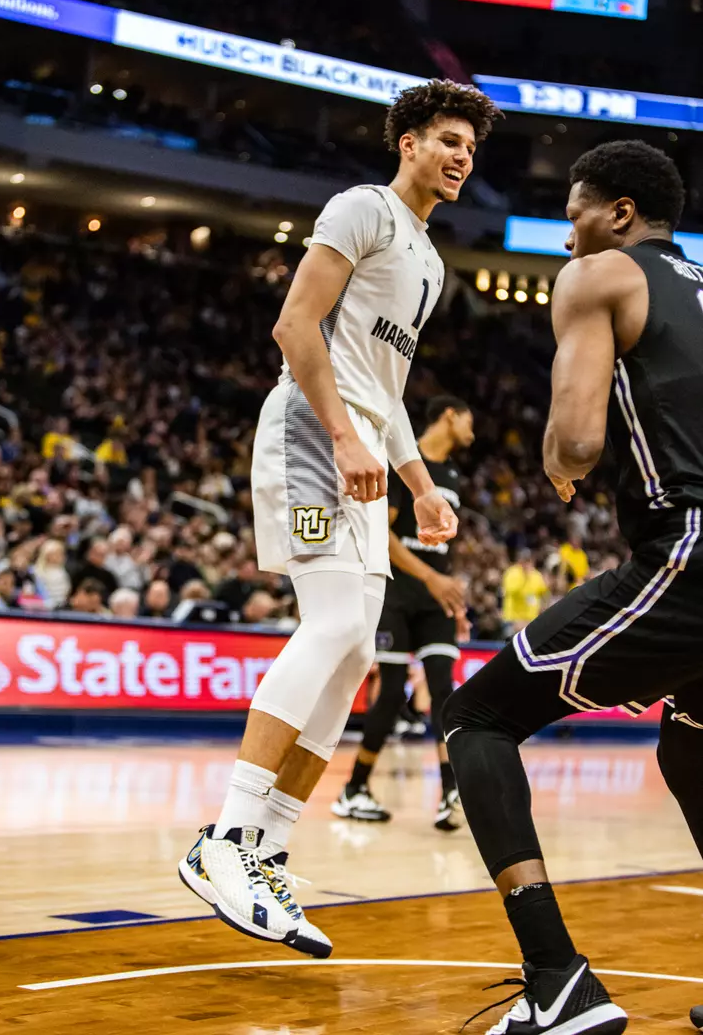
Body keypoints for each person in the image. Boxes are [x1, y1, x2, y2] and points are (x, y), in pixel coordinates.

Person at [178, 79, 500, 958]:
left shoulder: (430, 264)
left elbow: (386, 393)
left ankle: (268, 849)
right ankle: (225, 841)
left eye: (468, 145)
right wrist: (340, 436)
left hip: (358, 453)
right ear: (406, 142)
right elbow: (294, 327)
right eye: (444, 138)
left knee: (358, 649)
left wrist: (420, 483)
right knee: (329, 630)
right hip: (309, 436)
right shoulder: (359, 208)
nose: (459, 155)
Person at [443, 140, 703, 1035]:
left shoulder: (599, 276)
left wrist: (558, 462)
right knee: (690, 750)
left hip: (689, 550)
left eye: (574, 212)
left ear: (619, 213)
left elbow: (580, 443)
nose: (566, 236)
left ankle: (558, 983)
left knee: (476, 720)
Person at [332, 395, 473, 830]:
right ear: (449, 414)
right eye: (469, 419)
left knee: (443, 692)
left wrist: (451, 595)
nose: (474, 429)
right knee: (391, 694)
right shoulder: (401, 462)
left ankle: (451, 791)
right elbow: (384, 534)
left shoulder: (452, 475)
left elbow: (445, 550)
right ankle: (354, 788)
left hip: (436, 602)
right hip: (396, 594)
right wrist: (430, 579)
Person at [501, 549, 548, 637]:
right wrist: (524, 577)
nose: (527, 563)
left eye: (529, 560)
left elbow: (544, 593)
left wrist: (543, 608)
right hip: (513, 620)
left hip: (531, 621)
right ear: (519, 560)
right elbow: (511, 591)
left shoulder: (536, 575)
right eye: (524, 560)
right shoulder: (511, 573)